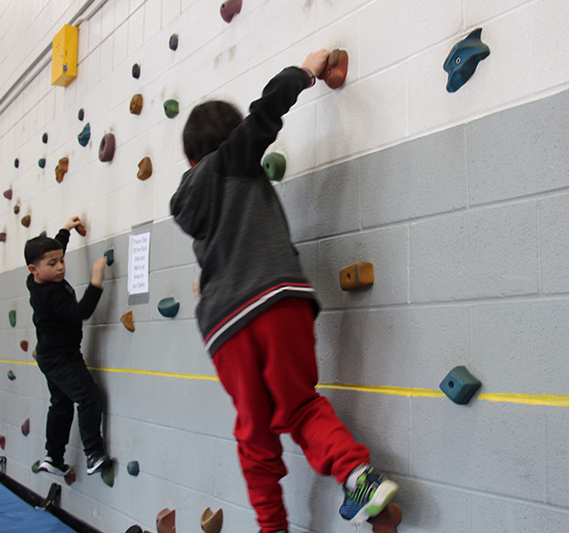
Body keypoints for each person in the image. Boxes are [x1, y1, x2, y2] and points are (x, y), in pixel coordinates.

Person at [170, 50, 399, 533]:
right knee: (299, 405)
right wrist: (308, 70)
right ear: (227, 143)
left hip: (225, 328)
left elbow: (223, 245)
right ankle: (356, 474)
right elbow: (266, 111)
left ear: (188, 158)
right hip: (278, 301)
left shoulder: (188, 201)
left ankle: (272, 527)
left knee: (255, 432)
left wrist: (211, 287)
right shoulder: (232, 159)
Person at [24, 216, 111, 477]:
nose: (61, 267)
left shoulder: (38, 280)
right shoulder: (49, 295)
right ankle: (93, 453)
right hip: (62, 358)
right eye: (53, 264)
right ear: (33, 269)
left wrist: (65, 229)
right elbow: (81, 311)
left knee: (61, 404)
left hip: (51, 356)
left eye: (62, 260)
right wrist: (96, 282)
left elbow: (53, 249)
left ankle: (54, 457)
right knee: (89, 397)